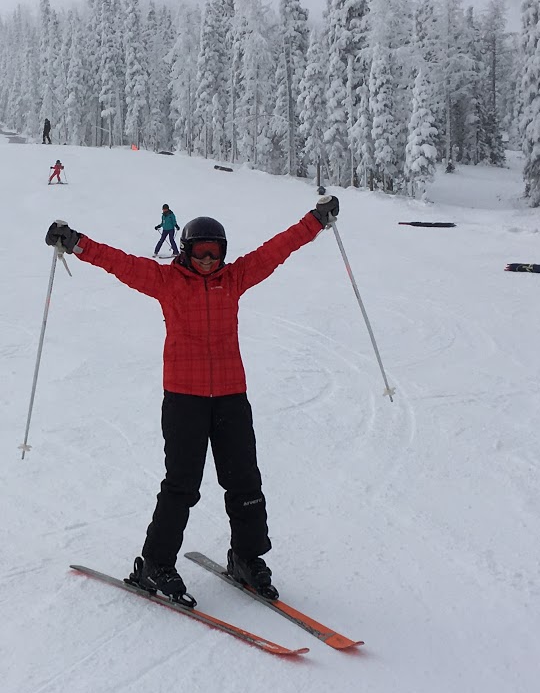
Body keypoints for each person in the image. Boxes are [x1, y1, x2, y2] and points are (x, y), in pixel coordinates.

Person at [43, 194, 340, 607]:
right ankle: (155, 563)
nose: (207, 259)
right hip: (184, 399)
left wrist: (315, 221)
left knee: (244, 480)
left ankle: (246, 557)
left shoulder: (234, 279)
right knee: (182, 485)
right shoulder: (167, 282)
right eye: (200, 251)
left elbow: (277, 249)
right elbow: (120, 262)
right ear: (186, 251)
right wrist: (75, 242)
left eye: (215, 252)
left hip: (232, 397)